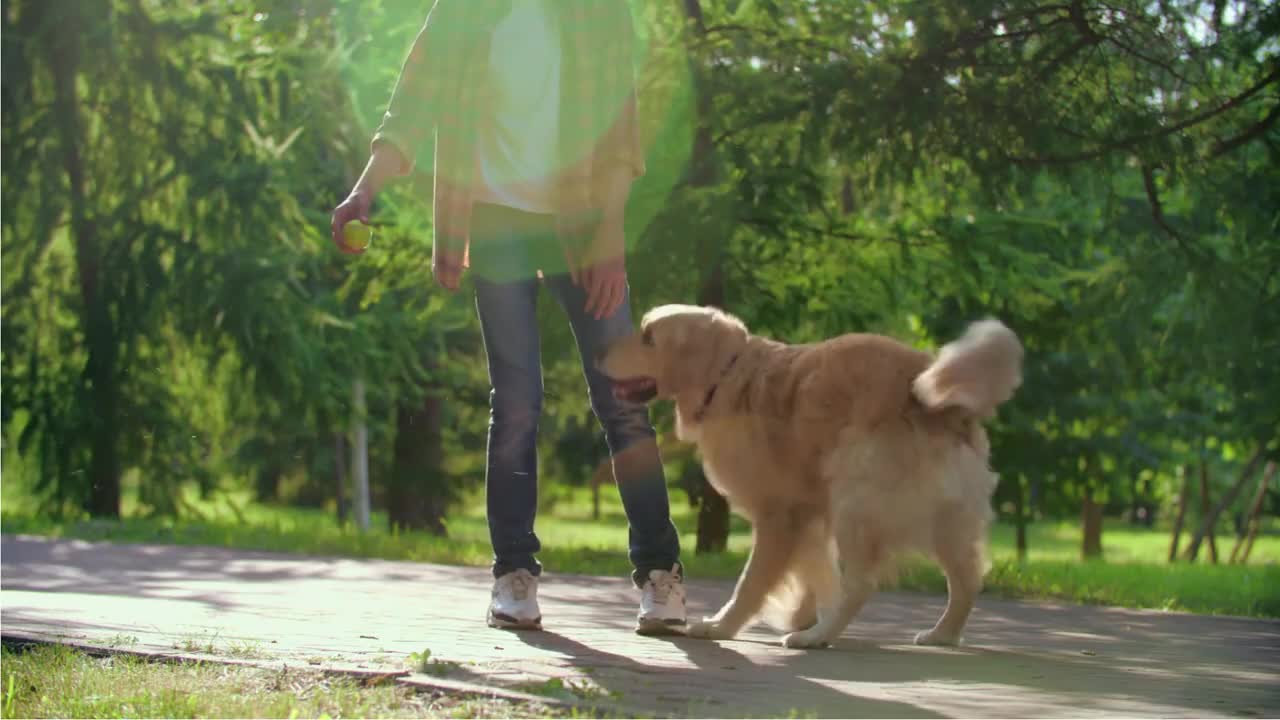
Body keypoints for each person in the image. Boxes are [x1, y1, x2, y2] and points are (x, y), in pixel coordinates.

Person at [330, 0, 686, 635]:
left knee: (622, 398)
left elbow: (619, 130)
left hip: (579, 217)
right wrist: (365, 189)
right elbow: (412, 105)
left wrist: (610, 239)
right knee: (518, 401)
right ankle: (514, 574)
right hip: (496, 221)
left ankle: (660, 574)